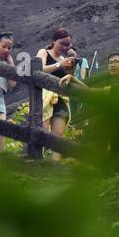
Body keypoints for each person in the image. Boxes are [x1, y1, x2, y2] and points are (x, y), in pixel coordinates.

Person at [36, 29, 81, 159]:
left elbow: (67, 81)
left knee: (58, 135)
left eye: (68, 45)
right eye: (62, 43)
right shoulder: (44, 52)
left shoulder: (64, 60)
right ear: (53, 41)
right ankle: (38, 161)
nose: (65, 47)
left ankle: (54, 167)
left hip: (60, 98)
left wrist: (70, 70)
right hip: (44, 96)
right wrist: (59, 64)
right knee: (42, 131)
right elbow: (39, 69)